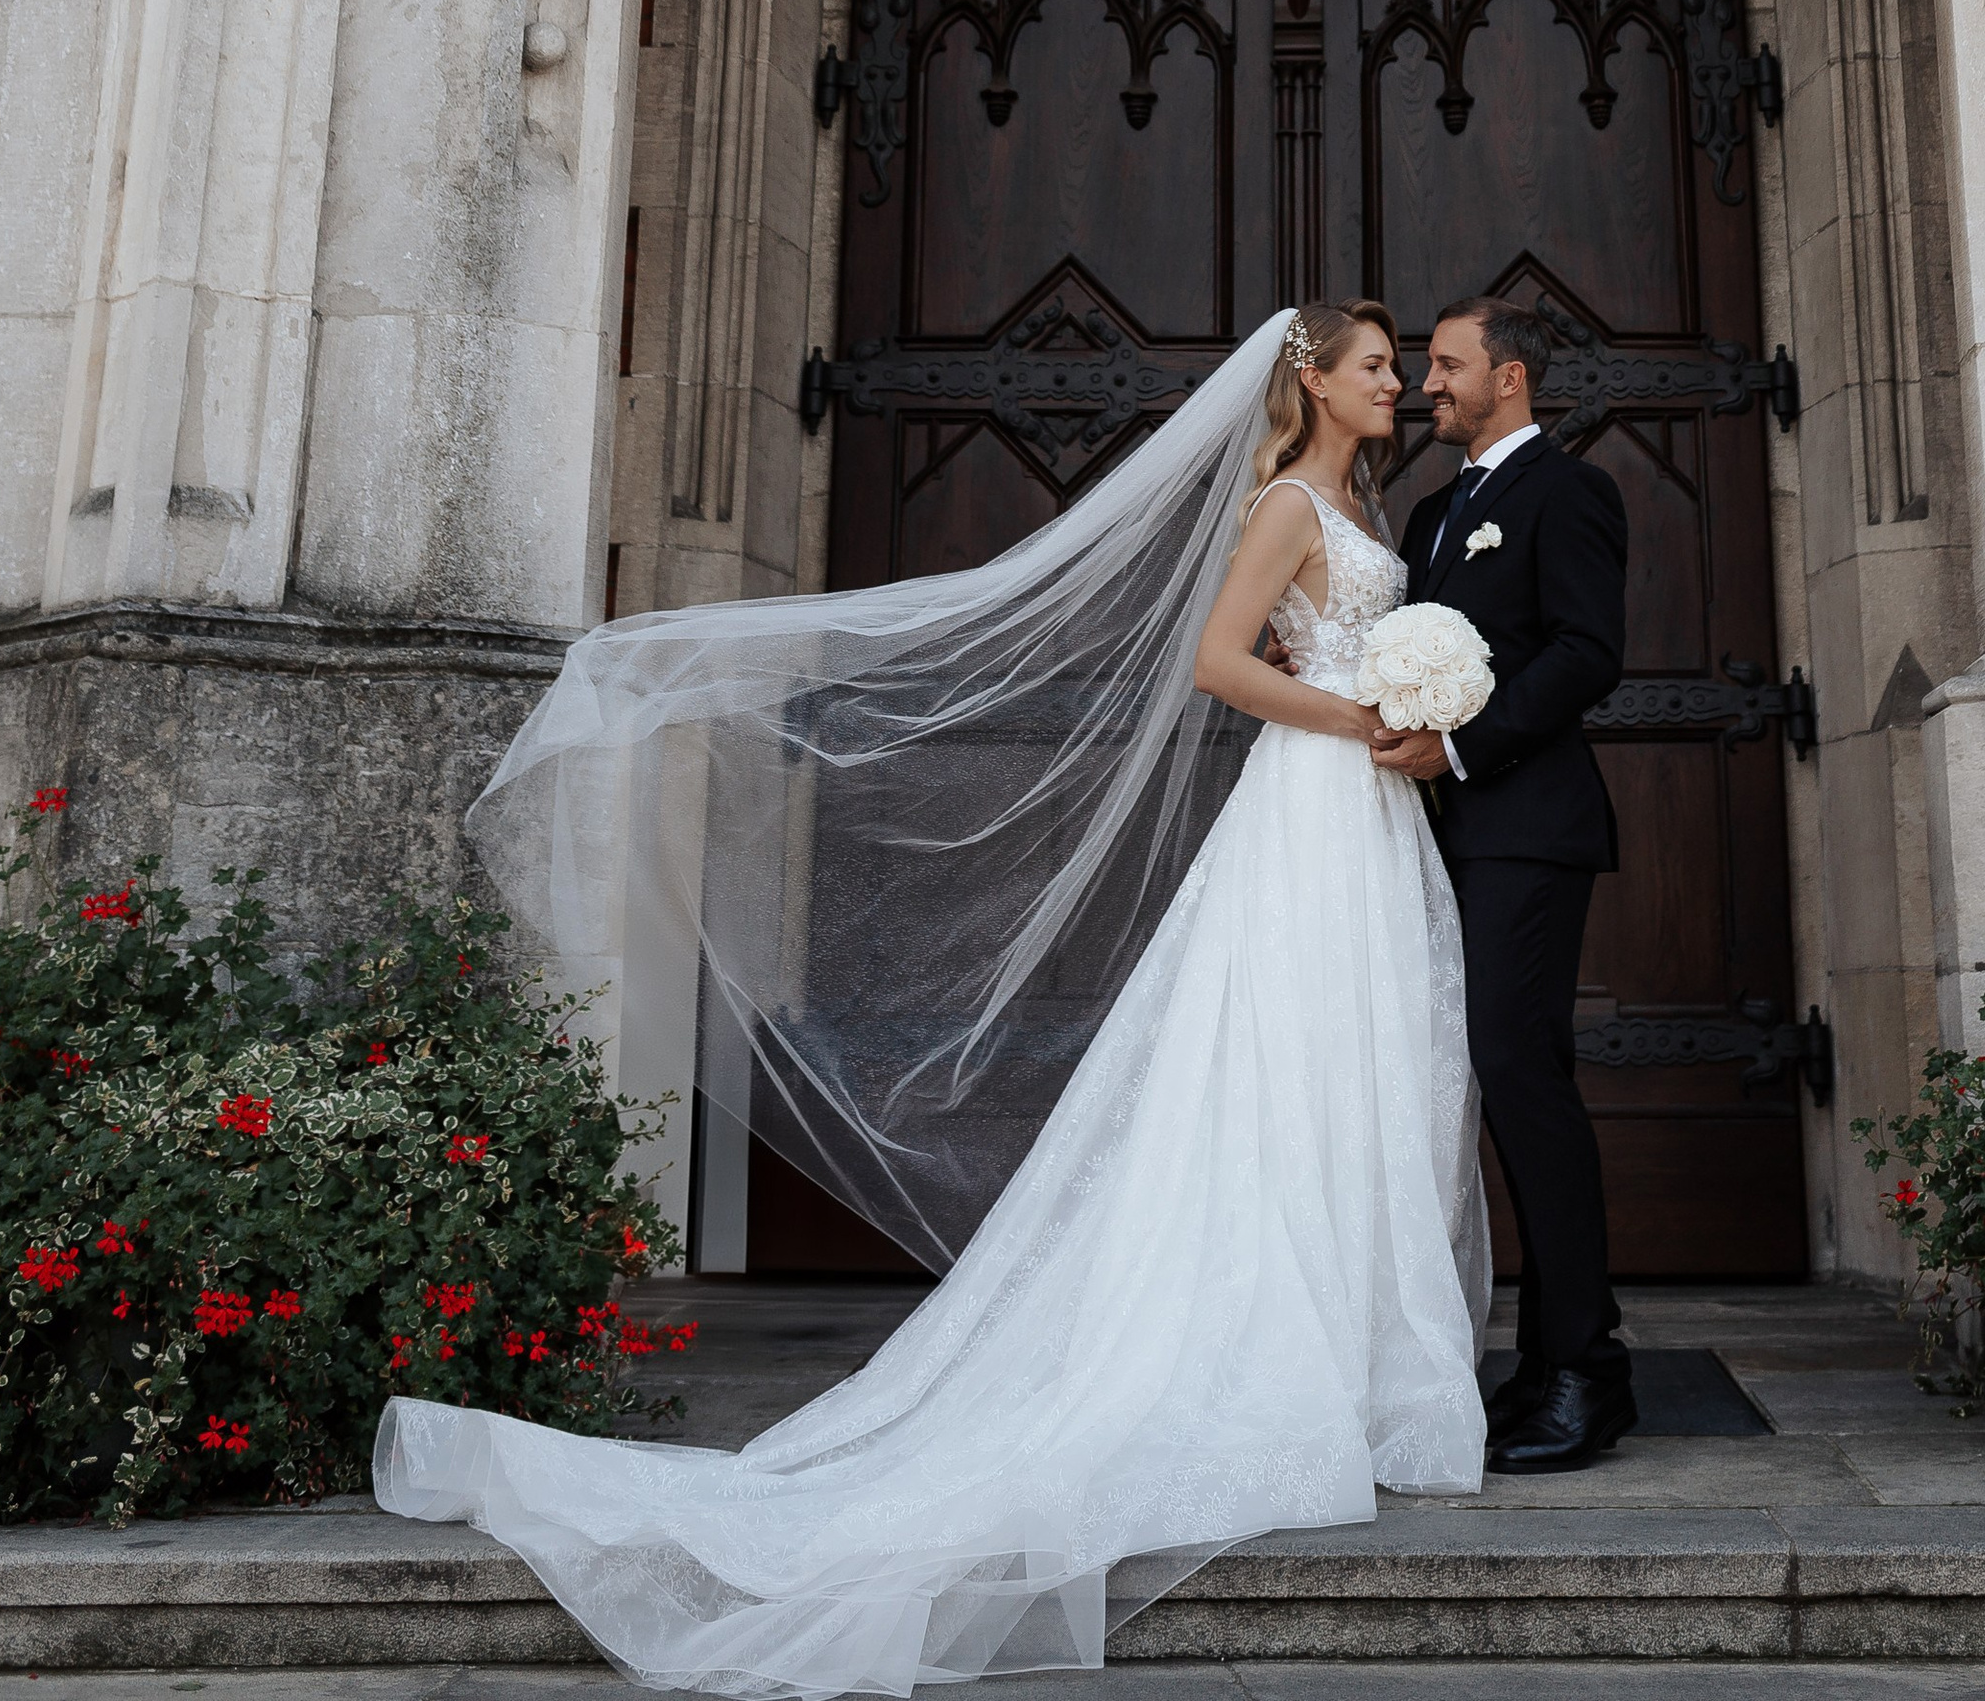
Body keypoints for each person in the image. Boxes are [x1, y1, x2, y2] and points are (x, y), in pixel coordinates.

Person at [376, 304, 1490, 1700]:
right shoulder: (1282, 505)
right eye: (1376, 364)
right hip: (1316, 802)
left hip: (1365, 819)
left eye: (1401, 364)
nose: (1397, 383)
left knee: (1359, 1067)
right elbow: (1216, 662)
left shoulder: (1359, 499)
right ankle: (1286, 1364)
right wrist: (1364, 718)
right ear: (1311, 381)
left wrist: (1413, 718)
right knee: (1281, 1061)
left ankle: (1366, 1363)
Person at [1380, 297, 1631, 1473]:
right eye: (1428, 365)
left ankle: (1585, 1369)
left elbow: (1587, 653)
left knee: (1525, 1079)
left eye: (1448, 364)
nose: (1430, 383)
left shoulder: (1568, 492)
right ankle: (1528, 1367)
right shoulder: (1433, 513)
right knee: (1476, 1081)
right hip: (1431, 834)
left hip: (1525, 828)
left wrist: (1464, 749)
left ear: (1512, 379)